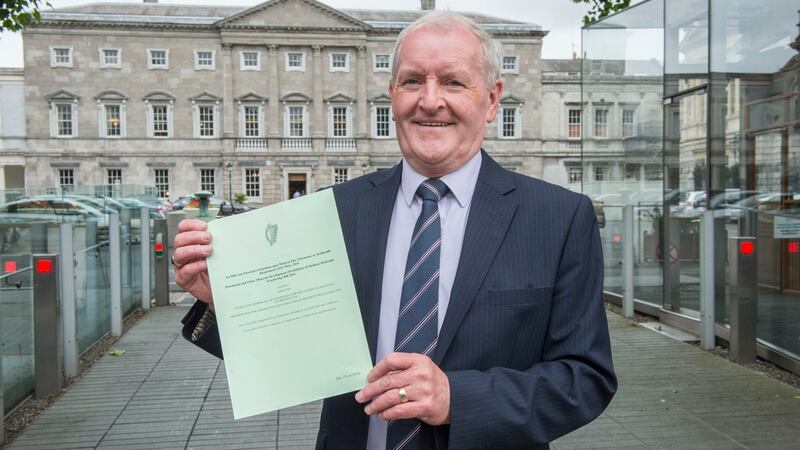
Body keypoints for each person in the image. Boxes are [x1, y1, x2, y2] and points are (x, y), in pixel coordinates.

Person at [173, 12, 616, 450]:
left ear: (493, 98)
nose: (429, 100)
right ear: (391, 94)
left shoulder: (558, 217)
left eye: (453, 82)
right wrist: (229, 301)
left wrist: (455, 398)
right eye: (412, 81)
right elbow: (299, 357)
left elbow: (584, 378)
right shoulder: (336, 209)